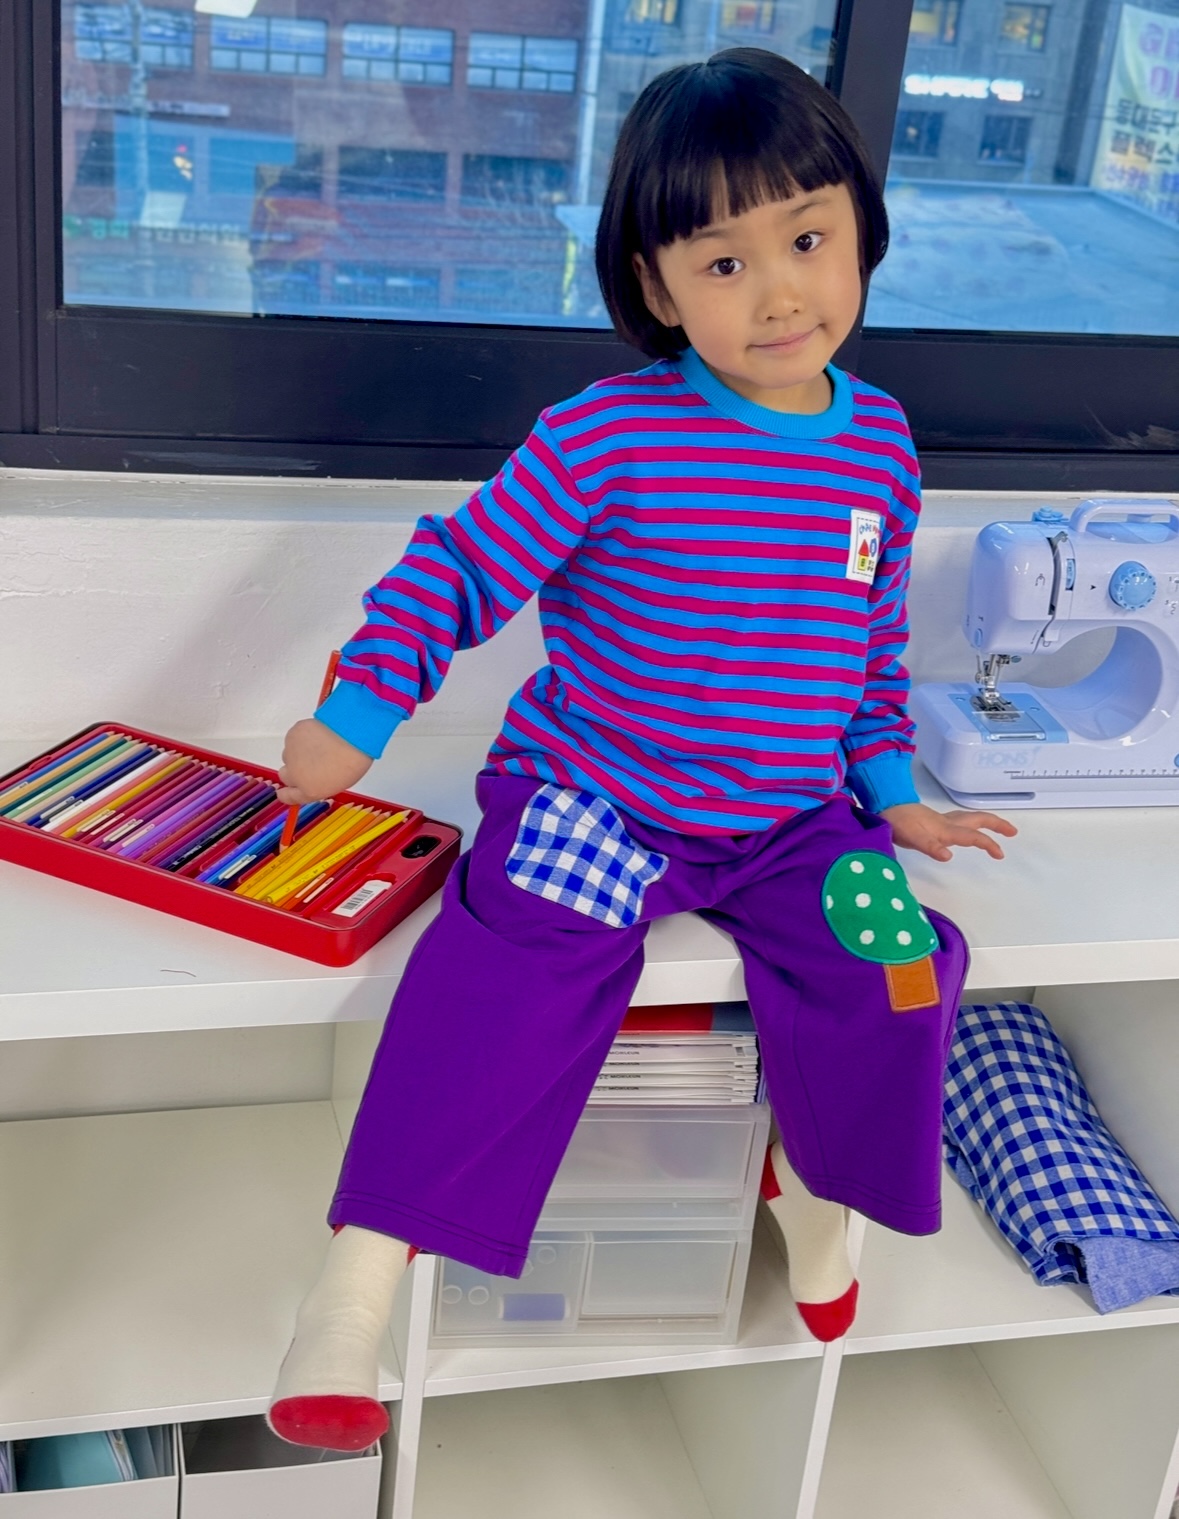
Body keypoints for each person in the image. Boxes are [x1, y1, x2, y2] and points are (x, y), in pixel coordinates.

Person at [267, 47, 1015, 1451]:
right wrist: (355, 719)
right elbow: (460, 570)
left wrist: (894, 796)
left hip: (790, 822)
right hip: (597, 796)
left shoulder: (882, 449)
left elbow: (864, 653)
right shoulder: (611, 436)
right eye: (724, 263)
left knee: (905, 966)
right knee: (504, 964)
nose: (779, 292)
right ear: (658, 288)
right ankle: (358, 1282)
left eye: (807, 240)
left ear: (862, 232)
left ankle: (816, 1196)